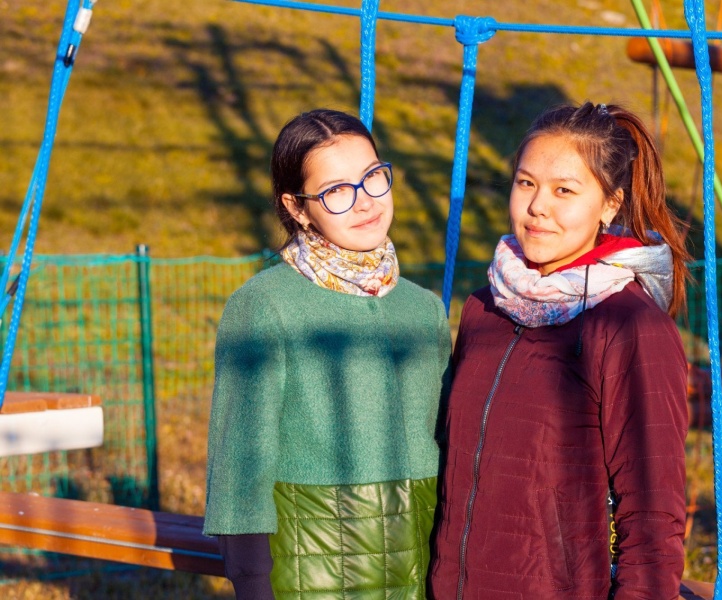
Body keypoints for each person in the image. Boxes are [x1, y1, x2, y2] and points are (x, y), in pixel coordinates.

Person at [428, 102, 690, 599]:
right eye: (526, 183)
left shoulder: (630, 326)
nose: (537, 206)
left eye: (564, 190)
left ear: (609, 205)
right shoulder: (484, 308)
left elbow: (653, 519)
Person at [204, 109, 451, 600]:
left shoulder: (424, 309)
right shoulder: (265, 305)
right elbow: (240, 462)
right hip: (309, 570)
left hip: (419, 567)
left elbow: (445, 440)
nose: (365, 202)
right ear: (297, 208)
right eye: (337, 190)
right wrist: (252, 582)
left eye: (372, 177)